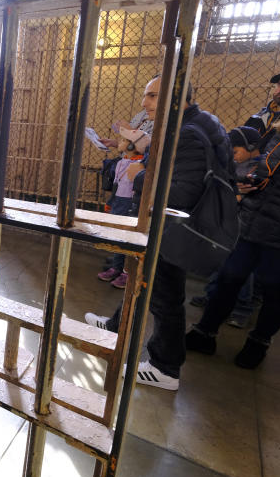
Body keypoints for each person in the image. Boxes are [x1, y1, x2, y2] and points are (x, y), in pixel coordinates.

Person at [85, 79, 233, 391]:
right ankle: (115, 325)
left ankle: (165, 367)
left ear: (178, 95)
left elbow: (182, 192)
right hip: (166, 223)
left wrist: (140, 177)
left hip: (169, 225)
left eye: (153, 95)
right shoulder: (199, 124)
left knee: (165, 295)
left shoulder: (188, 132)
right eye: (145, 94)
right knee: (140, 275)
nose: (145, 103)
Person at [187, 76, 280, 369]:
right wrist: (248, 182)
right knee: (228, 279)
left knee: (274, 290)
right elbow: (264, 166)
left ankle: (259, 342)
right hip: (252, 223)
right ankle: (204, 332)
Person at [188, 125, 263, 327]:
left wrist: (236, 193)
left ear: (252, 147)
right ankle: (213, 295)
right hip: (224, 220)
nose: (232, 156)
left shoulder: (259, 168)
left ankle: (242, 309)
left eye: (236, 151)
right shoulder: (235, 165)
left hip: (243, 226)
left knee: (239, 271)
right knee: (218, 261)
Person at [96, 126, 149, 289]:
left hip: (131, 204)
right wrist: (111, 202)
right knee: (117, 235)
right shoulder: (121, 162)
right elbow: (116, 185)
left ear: (134, 146)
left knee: (130, 237)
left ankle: (128, 272)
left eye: (125, 140)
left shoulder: (140, 165)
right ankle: (117, 267)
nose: (120, 142)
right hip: (119, 200)